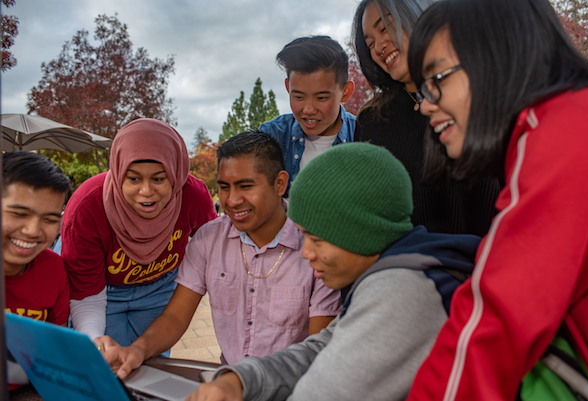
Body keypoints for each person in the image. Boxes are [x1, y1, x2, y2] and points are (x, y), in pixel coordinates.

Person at [403, 0, 588, 399]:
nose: (424, 104)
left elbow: (492, 322)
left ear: (497, 55)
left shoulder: (562, 130)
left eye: (437, 77)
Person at [184, 142, 482, 401]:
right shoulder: (395, 270)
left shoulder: (401, 293)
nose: (306, 252)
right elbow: (323, 348)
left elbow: (322, 393)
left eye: (317, 239)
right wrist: (241, 380)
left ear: (360, 231)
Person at [100, 130, 341, 376]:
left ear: (279, 183)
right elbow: (175, 316)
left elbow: (317, 348)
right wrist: (138, 349)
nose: (232, 200)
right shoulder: (208, 239)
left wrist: (248, 383)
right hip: (227, 383)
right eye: (224, 187)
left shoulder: (317, 247)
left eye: (245, 186)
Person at [60, 118, 217, 349]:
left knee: (151, 368)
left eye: (158, 179)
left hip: (162, 286)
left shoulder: (193, 195)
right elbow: (86, 293)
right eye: (133, 178)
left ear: (176, 174)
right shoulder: (87, 208)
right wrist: (95, 340)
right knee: (111, 370)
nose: (146, 191)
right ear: (118, 172)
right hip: (102, 294)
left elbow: (213, 250)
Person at [352, 0, 499, 236]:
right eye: (370, 44)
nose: (379, 46)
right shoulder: (372, 121)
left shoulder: (479, 93)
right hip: (403, 266)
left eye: (386, 27)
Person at [3, 151, 72, 389]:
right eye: (19, 214)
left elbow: (56, 341)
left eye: (50, 219)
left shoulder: (53, 269)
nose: (33, 231)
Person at [259, 35, 356, 195]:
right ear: (288, 87)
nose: (308, 109)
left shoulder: (363, 136)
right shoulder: (272, 135)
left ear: (346, 92)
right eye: (299, 97)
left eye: (321, 98)